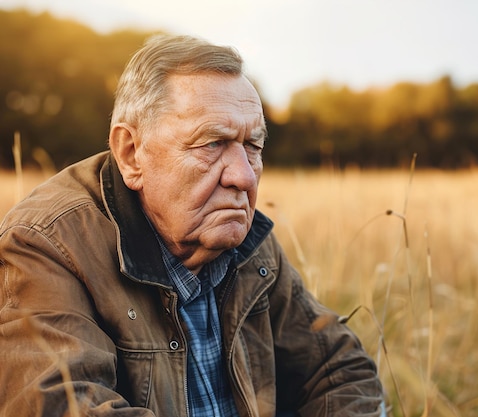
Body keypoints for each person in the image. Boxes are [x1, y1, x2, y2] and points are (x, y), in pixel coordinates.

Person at [0, 34, 385, 417]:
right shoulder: (46, 245)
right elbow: (65, 407)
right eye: (212, 143)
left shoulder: (247, 241)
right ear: (132, 154)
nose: (244, 177)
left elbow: (339, 370)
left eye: (253, 145)